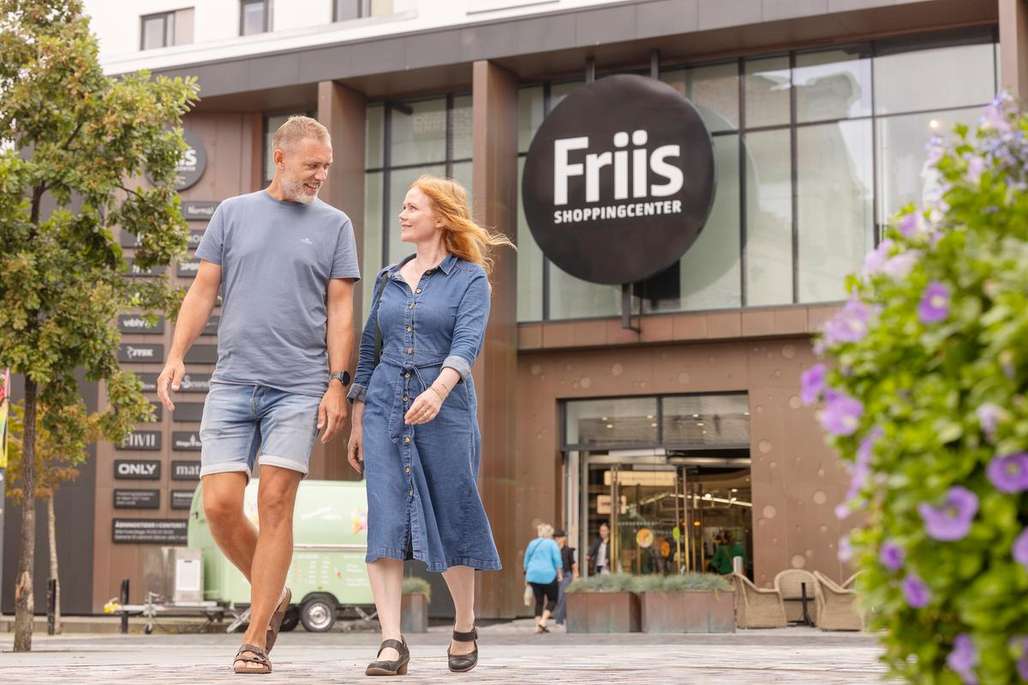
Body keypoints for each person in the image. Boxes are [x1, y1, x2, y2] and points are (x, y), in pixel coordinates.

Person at [156, 116, 360, 675]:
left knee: (275, 503)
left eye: (326, 167)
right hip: (232, 382)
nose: (320, 175)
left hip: (297, 386)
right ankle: (273, 593)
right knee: (220, 505)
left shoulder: (335, 225)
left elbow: (341, 312)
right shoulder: (232, 214)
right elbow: (202, 290)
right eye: (311, 164)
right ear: (280, 156)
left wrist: (338, 384)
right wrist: (175, 355)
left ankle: (255, 632)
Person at [346, 175, 512, 676]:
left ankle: (464, 623)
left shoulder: (470, 278)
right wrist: (358, 416)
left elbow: (467, 343)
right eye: (403, 207)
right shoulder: (387, 278)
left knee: (453, 508)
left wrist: (437, 391)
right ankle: (391, 640)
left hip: (447, 409)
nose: (402, 214)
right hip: (383, 408)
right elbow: (370, 350)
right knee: (386, 514)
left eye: (412, 207)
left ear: (440, 217)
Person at [524, 523, 563, 634]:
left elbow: (526, 560)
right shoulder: (552, 544)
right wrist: (559, 574)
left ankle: (538, 626)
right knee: (552, 599)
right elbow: (557, 560)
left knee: (539, 601)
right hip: (548, 575)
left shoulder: (532, 543)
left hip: (533, 575)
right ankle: (543, 621)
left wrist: (526, 575)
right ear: (550, 533)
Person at [553, 528, 577, 625]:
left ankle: (559, 620)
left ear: (564, 538)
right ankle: (564, 616)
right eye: (555, 538)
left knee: (561, 597)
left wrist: (575, 577)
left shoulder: (568, 550)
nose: (557, 539)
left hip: (566, 575)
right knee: (555, 597)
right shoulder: (552, 550)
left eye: (559, 537)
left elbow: (573, 565)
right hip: (554, 575)